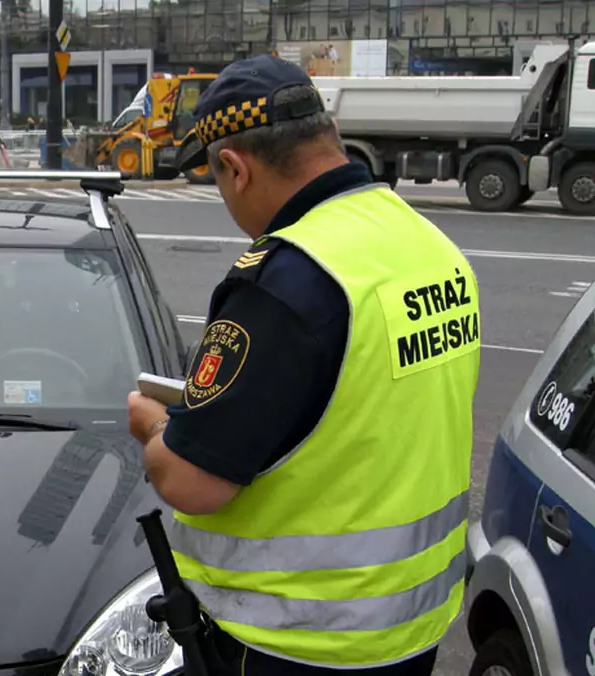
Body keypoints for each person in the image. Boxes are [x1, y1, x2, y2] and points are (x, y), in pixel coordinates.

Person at [127, 54, 480, 676]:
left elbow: (191, 483)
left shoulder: (285, 280)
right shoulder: (429, 246)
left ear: (235, 168)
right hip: (410, 630)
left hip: (293, 642)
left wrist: (156, 428)